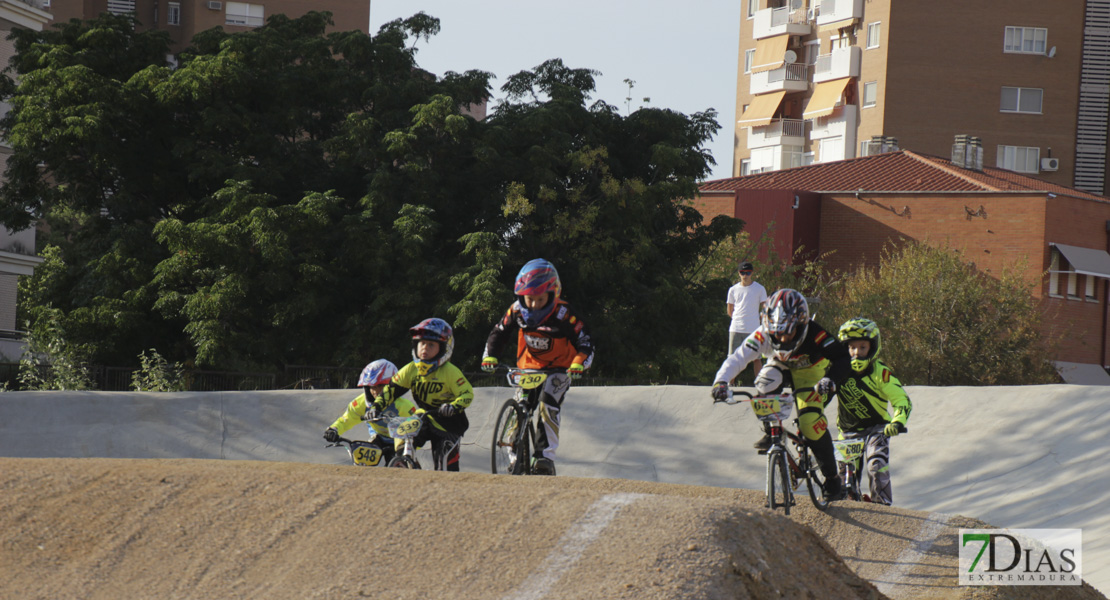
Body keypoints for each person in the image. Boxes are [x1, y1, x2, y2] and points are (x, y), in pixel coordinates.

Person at [710, 288, 851, 500]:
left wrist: (830, 380)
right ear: (768, 325)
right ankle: (771, 429)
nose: (783, 339)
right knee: (765, 381)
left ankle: (832, 478)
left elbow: (842, 358)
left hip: (811, 371)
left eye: (789, 332)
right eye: (777, 333)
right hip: (779, 364)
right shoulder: (762, 333)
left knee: (811, 423)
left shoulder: (816, 333)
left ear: (802, 324)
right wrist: (720, 381)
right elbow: (738, 357)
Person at [481, 258, 595, 476]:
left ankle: (545, 457)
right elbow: (499, 332)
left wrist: (579, 363)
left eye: (540, 299)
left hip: (561, 368)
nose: (533, 305)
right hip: (529, 367)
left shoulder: (564, 314)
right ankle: (514, 455)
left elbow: (586, 342)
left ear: (553, 294)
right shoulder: (516, 310)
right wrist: (490, 357)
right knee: (520, 405)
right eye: (528, 299)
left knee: (547, 404)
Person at [372, 318, 474, 471]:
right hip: (426, 415)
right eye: (422, 344)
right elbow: (391, 390)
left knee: (445, 467)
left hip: (449, 423)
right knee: (403, 430)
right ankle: (404, 460)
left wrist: (453, 406)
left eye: (431, 344)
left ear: (444, 348)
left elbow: (467, 393)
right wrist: (376, 406)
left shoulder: (450, 371)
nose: (425, 348)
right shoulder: (411, 369)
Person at [834, 318, 912, 505]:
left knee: (875, 464)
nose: (857, 353)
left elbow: (901, 399)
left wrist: (897, 421)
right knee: (844, 477)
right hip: (847, 431)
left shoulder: (880, 372)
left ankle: (882, 506)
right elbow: (819, 399)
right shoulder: (837, 371)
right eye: (852, 347)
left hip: (877, 429)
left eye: (862, 347)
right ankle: (845, 505)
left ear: (873, 347)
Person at [323, 359, 416, 465]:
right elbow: (347, 419)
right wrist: (333, 429)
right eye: (372, 387)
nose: (376, 391)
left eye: (381, 386)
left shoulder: (404, 406)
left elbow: (415, 427)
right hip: (378, 437)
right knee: (363, 464)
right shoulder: (360, 403)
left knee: (400, 464)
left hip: (399, 439)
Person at [726, 261, 767, 380]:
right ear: (739, 273)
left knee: (757, 358)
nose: (745, 275)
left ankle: (760, 383)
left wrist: (758, 320)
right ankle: (730, 384)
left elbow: (765, 308)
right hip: (736, 328)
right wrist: (738, 319)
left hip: (753, 329)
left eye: (748, 272)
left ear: (752, 273)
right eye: (743, 272)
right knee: (733, 358)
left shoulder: (759, 289)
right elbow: (730, 310)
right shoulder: (733, 290)